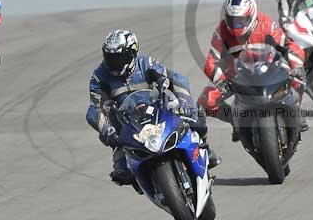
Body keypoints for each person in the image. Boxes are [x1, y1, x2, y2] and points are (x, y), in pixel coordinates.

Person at [86, 29, 220, 187]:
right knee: (121, 170)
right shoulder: (99, 77)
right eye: (109, 57)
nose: (113, 62)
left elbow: (175, 78)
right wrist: (107, 130)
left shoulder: (145, 62)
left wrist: (184, 100)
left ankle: (204, 148)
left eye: (118, 57)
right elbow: (94, 109)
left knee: (195, 115)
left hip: (157, 110)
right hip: (126, 124)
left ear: (131, 53)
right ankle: (139, 176)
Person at [198, 0, 307, 141]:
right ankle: (236, 121)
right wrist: (221, 81)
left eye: (242, 20)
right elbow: (211, 61)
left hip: (270, 66)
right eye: (233, 20)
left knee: (298, 78)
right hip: (236, 73)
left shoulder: (266, 24)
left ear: (252, 15)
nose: (237, 26)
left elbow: (289, 45)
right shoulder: (221, 31)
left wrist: (297, 66)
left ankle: (296, 112)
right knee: (206, 100)